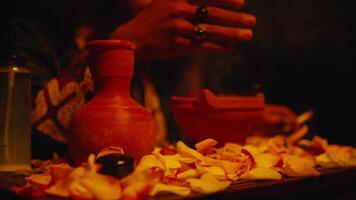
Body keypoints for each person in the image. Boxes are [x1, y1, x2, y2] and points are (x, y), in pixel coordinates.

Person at [4, 0, 297, 158]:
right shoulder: (36, 31)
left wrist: (236, 125)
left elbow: (174, 149)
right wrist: (124, 45)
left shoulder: (170, 55)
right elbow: (21, 147)